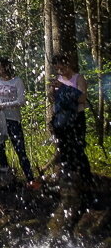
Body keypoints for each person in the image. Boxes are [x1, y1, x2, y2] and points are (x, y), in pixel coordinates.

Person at [48, 52, 92, 184]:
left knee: (78, 149)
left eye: (61, 67)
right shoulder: (58, 79)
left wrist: (64, 88)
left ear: (68, 64)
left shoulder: (78, 78)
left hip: (76, 119)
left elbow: (82, 98)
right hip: (61, 120)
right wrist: (52, 92)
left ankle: (86, 180)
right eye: (57, 69)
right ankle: (69, 180)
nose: (60, 71)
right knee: (64, 150)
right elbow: (54, 100)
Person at [0, 57, 34, 182]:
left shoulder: (17, 81)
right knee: (0, 146)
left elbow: (21, 101)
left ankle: (30, 177)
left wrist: (4, 105)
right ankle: (5, 172)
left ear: (6, 68)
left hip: (12, 119)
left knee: (19, 148)